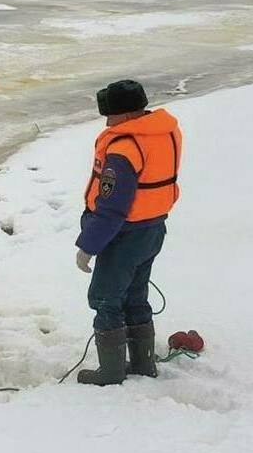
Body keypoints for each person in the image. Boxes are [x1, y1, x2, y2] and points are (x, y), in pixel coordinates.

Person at [75, 80, 183, 386]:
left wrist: (88, 246)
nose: (106, 122)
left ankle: (110, 373)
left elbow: (112, 206)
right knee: (136, 295)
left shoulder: (125, 147)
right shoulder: (165, 132)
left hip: (123, 235)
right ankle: (142, 364)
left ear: (123, 116)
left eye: (109, 115)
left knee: (106, 298)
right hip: (153, 229)